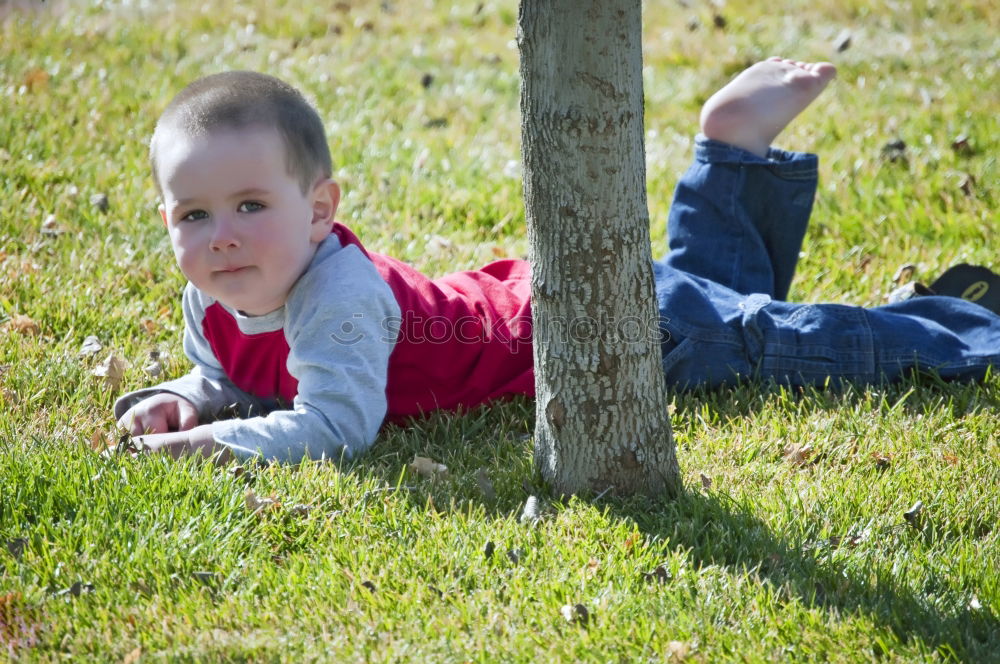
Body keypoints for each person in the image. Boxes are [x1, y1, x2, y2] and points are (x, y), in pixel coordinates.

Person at [114, 58, 1000, 463]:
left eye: (250, 206)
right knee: (721, 300)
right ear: (168, 219)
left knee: (793, 345)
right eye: (194, 214)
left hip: (614, 335)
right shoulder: (218, 288)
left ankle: (974, 330)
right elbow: (224, 367)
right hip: (575, 293)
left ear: (320, 212)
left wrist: (211, 443)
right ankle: (734, 157)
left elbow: (332, 427)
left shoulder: (335, 299)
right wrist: (189, 397)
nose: (221, 235)